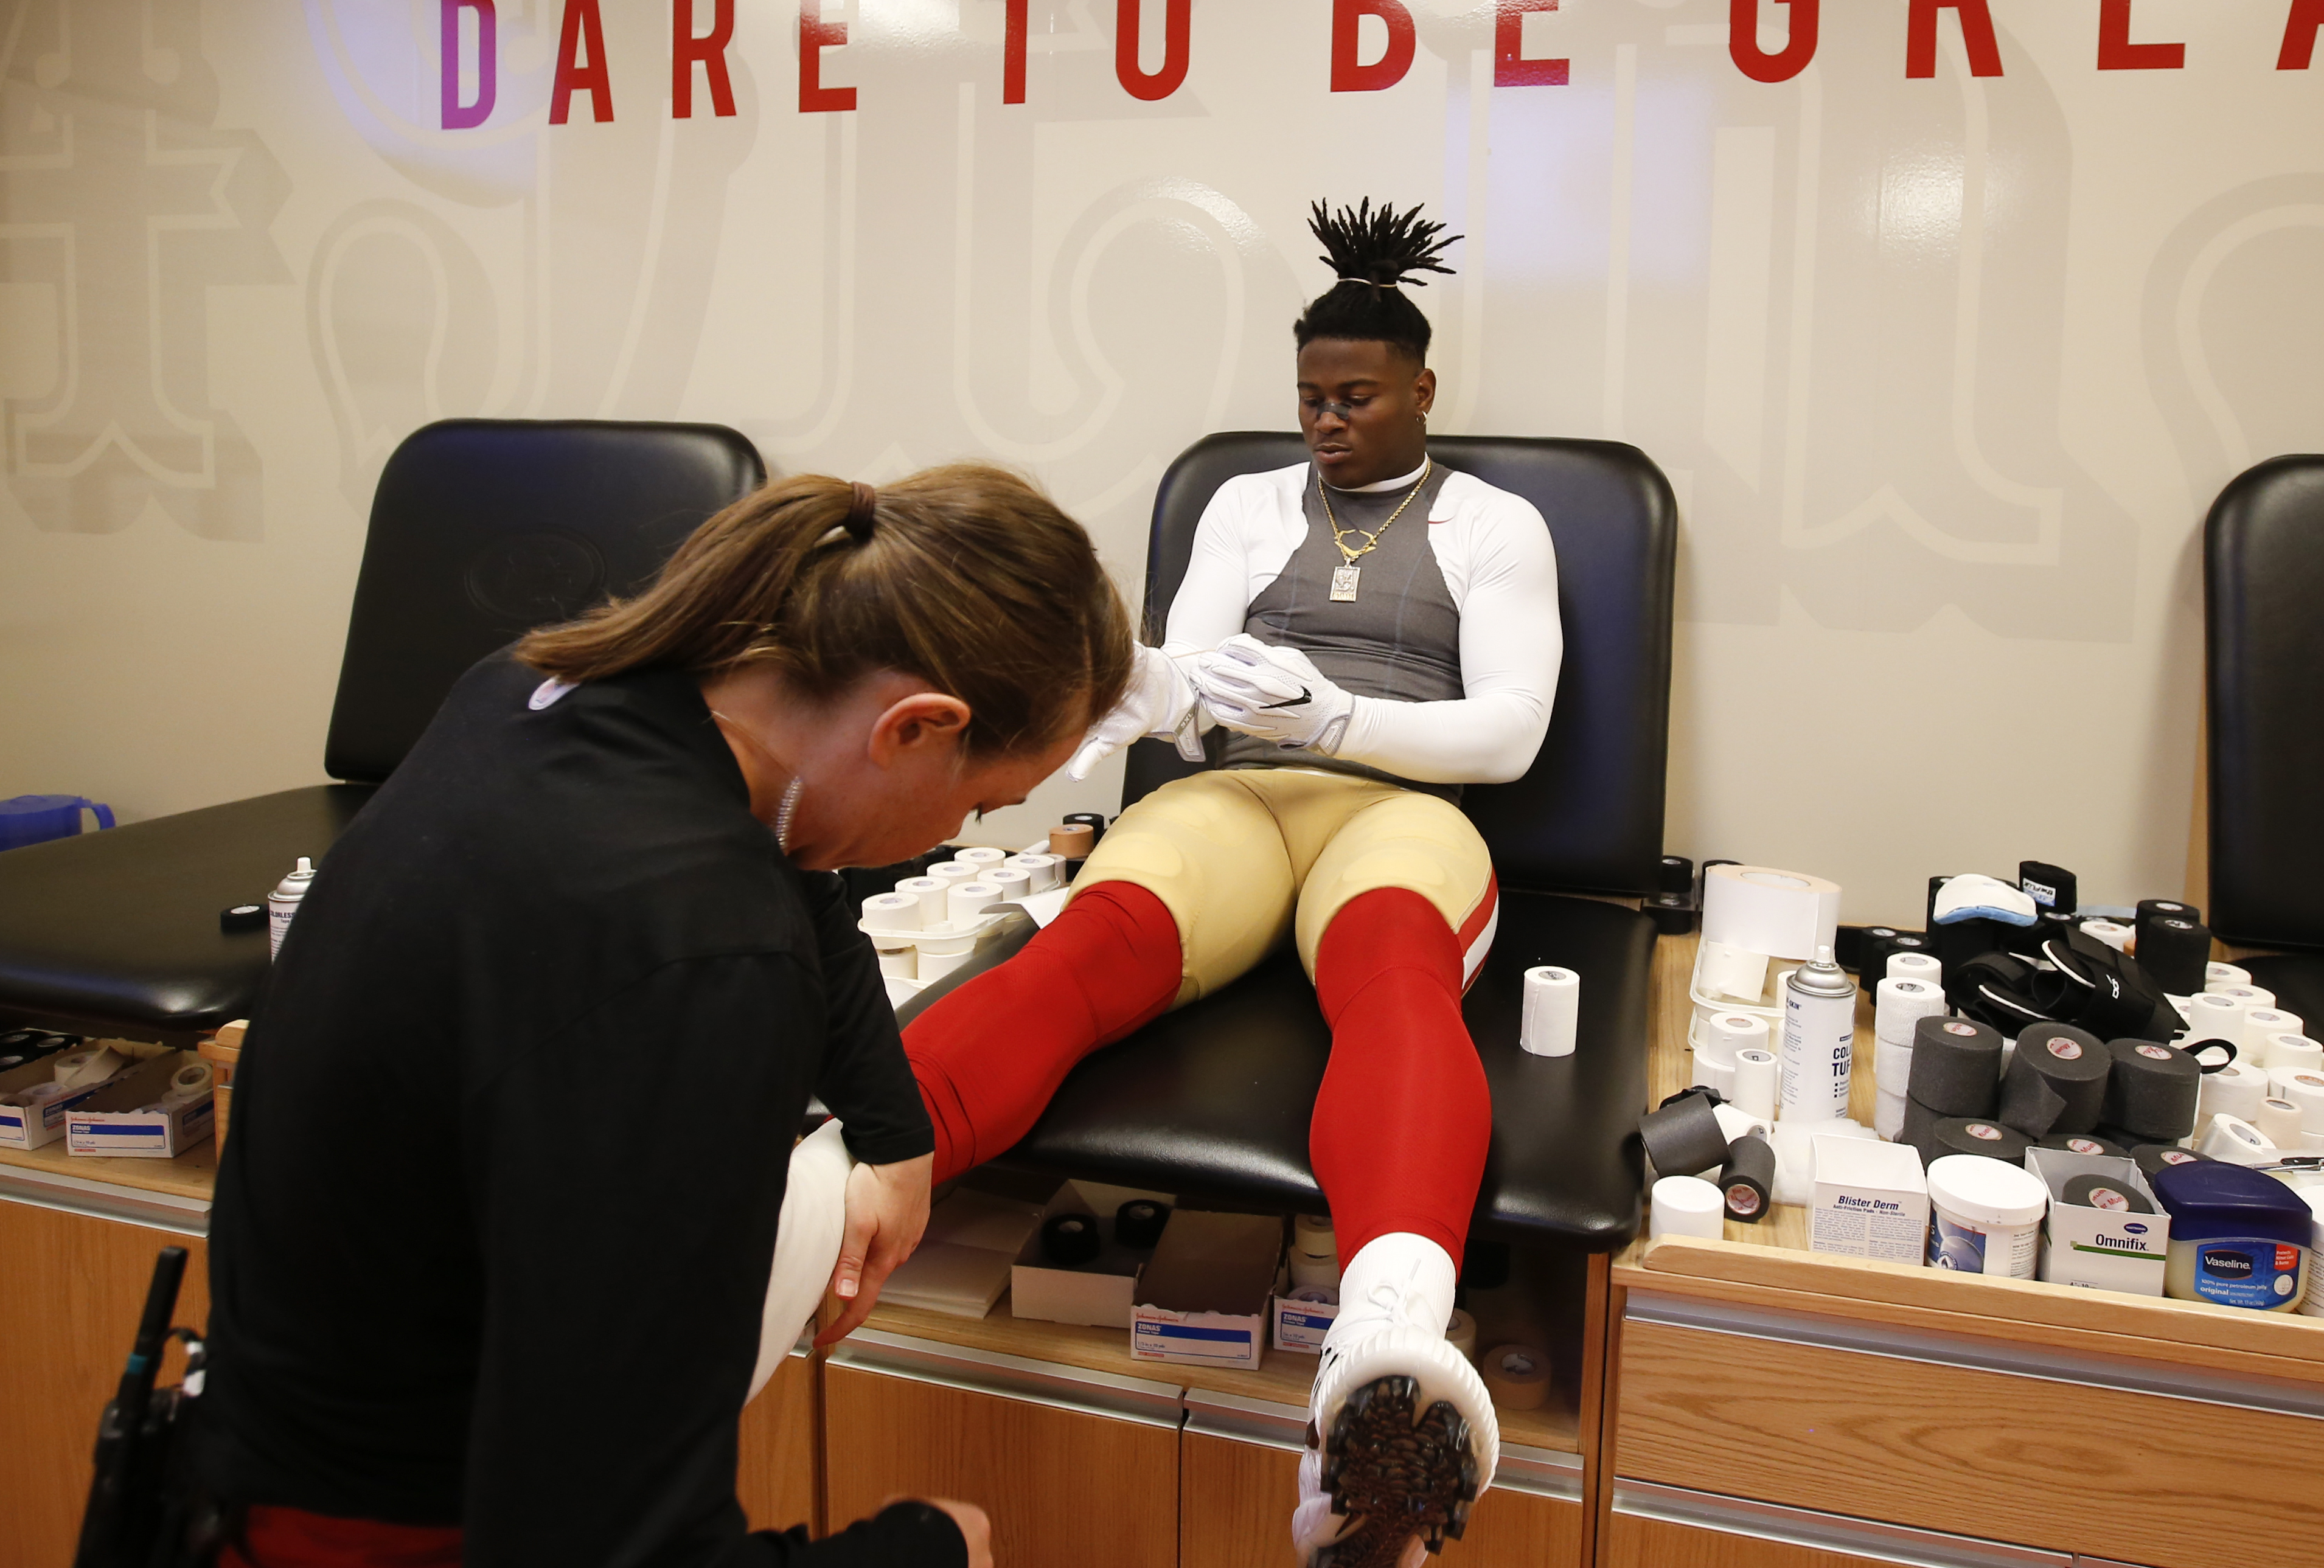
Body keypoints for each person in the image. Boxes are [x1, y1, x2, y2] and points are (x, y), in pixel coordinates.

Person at [203, 467, 1133, 1568]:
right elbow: (615, 1551)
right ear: (918, 727)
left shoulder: (541, 689)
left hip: (256, 1428)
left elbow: (800, 873)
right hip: (384, 1526)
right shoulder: (705, 961)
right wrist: (935, 1545)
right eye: (979, 803)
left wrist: (897, 1135)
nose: (965, 825)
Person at [865, 201, 1562, 1568]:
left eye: (1353, 397)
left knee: (1391, 974)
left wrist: (1335, 719)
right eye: (1306, 396)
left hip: (1400, 811)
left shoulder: (1495, 524)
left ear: (1422, 390)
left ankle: (1386, 1355)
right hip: (1231, 797)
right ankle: (836, 1187)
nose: (1323, 421)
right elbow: (1182, 684)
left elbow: (1509, 727)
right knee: (1086, 949)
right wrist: (1173, 692)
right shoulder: (1244, 505)